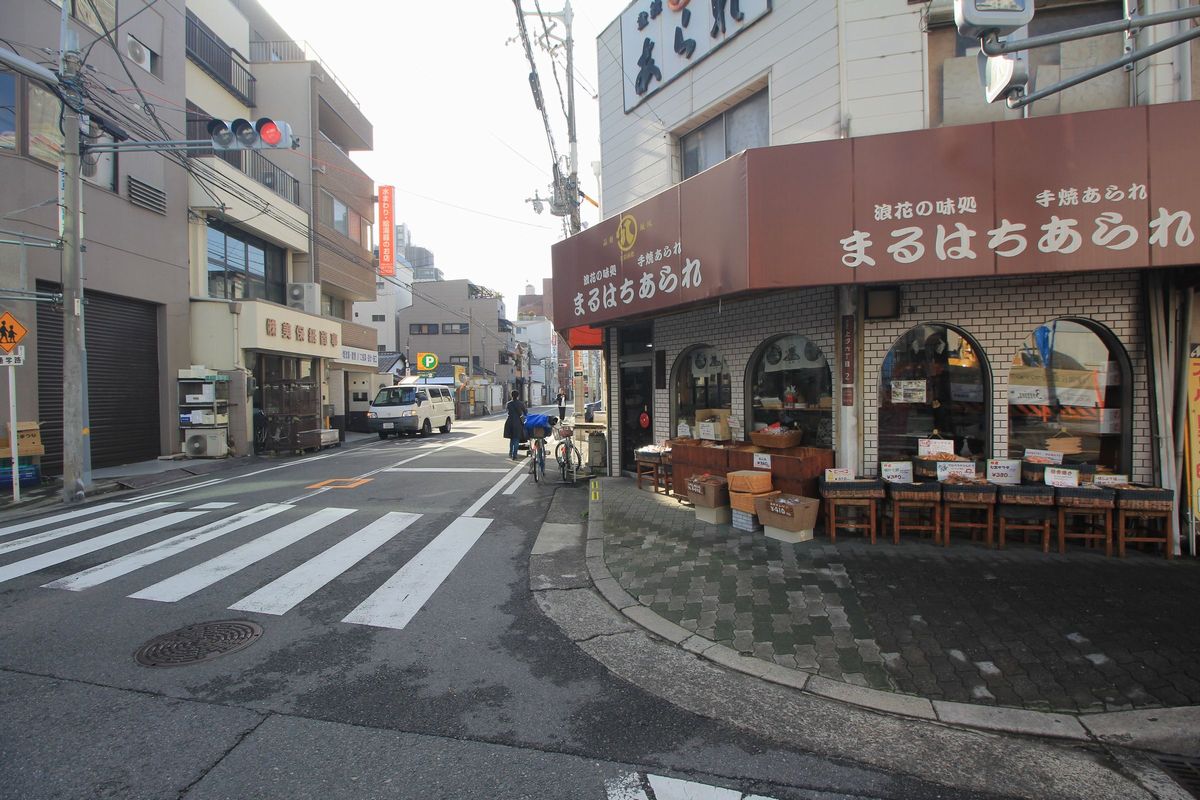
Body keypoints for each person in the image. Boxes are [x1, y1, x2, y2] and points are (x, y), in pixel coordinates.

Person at [503, 390, 527, 460]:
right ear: (518, 396)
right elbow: (525, 412)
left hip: (509, 422)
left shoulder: (508, 403)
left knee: (511, 438)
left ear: (511, 395)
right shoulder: (521, 403)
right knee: (516, 439)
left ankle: (510, 453)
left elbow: (507, 411)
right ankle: (514, 455)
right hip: (517, 423)